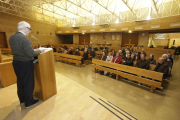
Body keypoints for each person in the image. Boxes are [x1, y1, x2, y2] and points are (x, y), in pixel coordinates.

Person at [9, 21, 45, 108]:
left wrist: (33, 51)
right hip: (25, 63)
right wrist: (40, 50)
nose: (30, 31)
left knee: (20, 82)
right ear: (25, 28)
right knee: (28, 82)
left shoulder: (12, 37)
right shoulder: (24, 38)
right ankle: (29, 102)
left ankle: (22, 100)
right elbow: (30, 53)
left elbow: (20, 50)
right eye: (29, 29)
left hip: (16, 62)